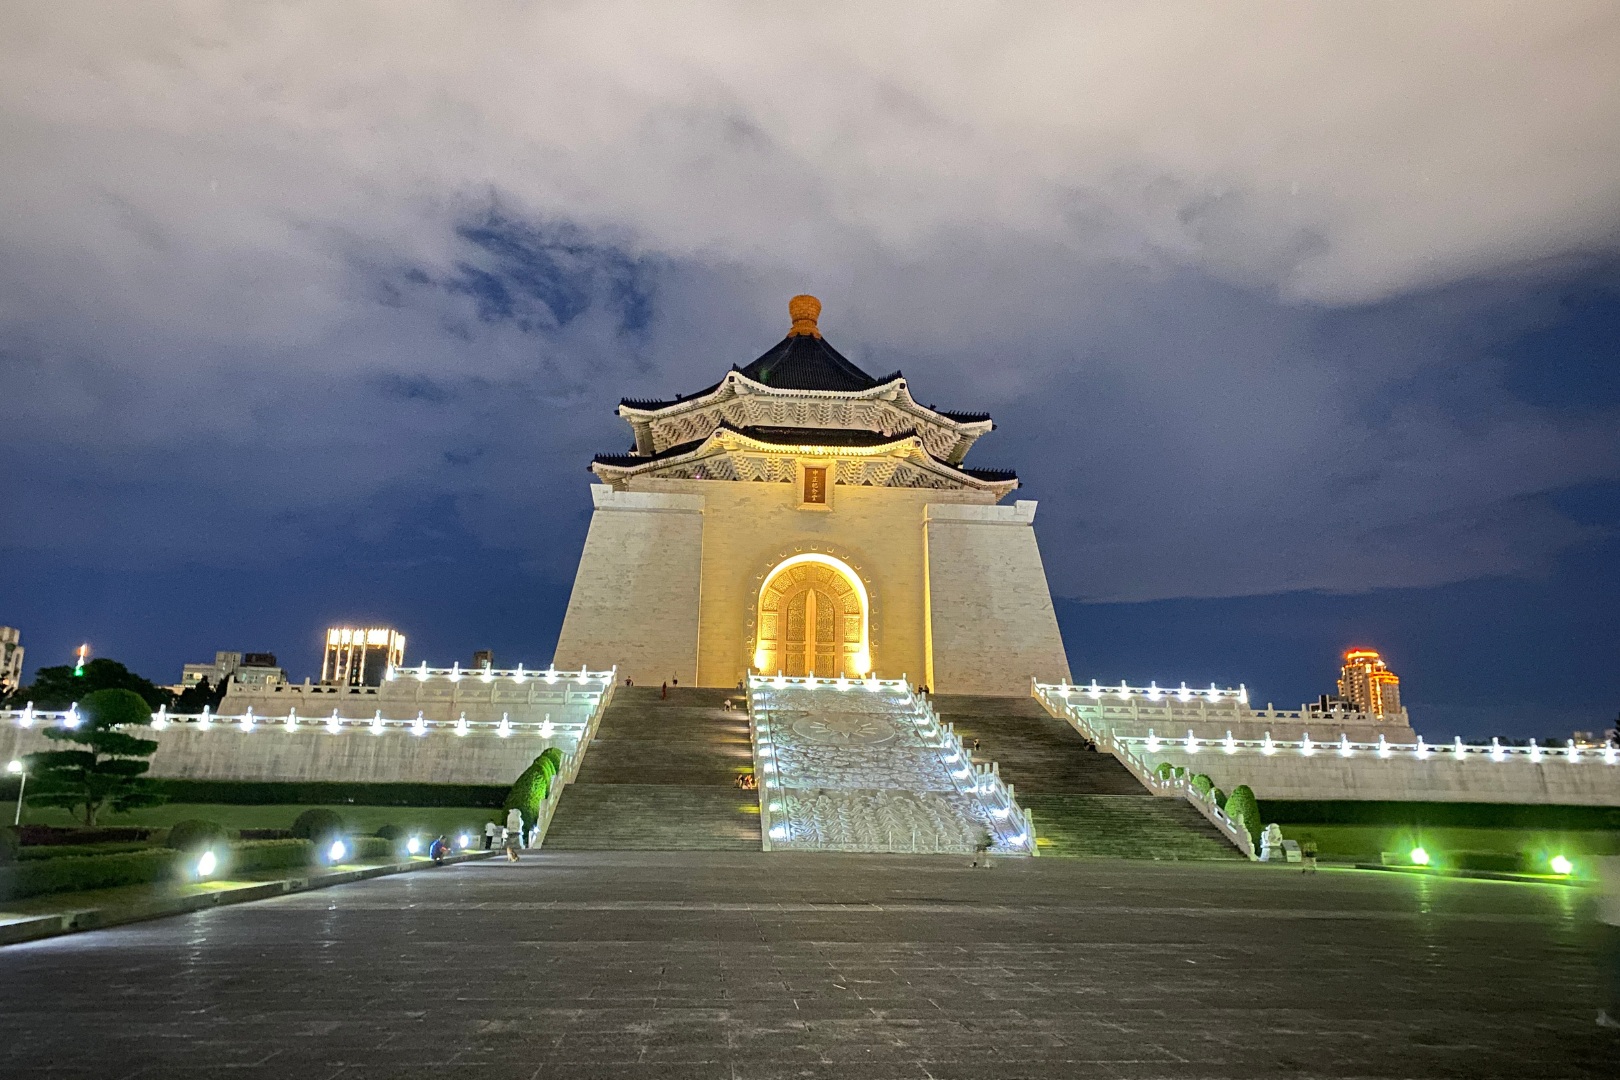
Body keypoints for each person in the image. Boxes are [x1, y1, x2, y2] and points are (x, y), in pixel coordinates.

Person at [1598, 854, 1620, 1030]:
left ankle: (1609, 1014)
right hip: (1614, 925)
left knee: (1613, 973)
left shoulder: (1609, 862)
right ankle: (1611, 1014)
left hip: (1611, 925)